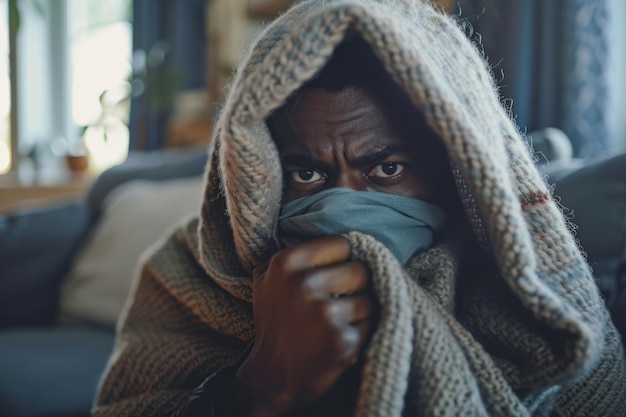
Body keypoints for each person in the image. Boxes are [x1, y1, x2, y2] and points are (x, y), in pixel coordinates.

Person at [93, 1, 626, 416]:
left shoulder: (533, 299)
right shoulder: (186, 273)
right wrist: (258, 388)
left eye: (387, 168)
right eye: (308, 174)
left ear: (456, 167)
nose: (346, 206)